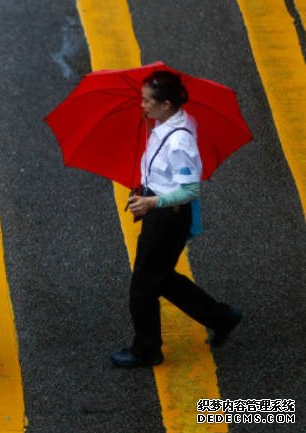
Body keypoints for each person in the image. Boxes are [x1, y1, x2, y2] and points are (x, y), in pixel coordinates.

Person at [110, 71, 243, 368]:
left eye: (147, 101)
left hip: (167, 219)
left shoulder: (178, 142)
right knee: (162, 277)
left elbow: (189, 190)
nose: (142, 105)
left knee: (142, 287)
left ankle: (147, 350)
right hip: (161, 213)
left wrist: (151, 201)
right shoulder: (166, 122)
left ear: (166, 104)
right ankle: (221, 317)